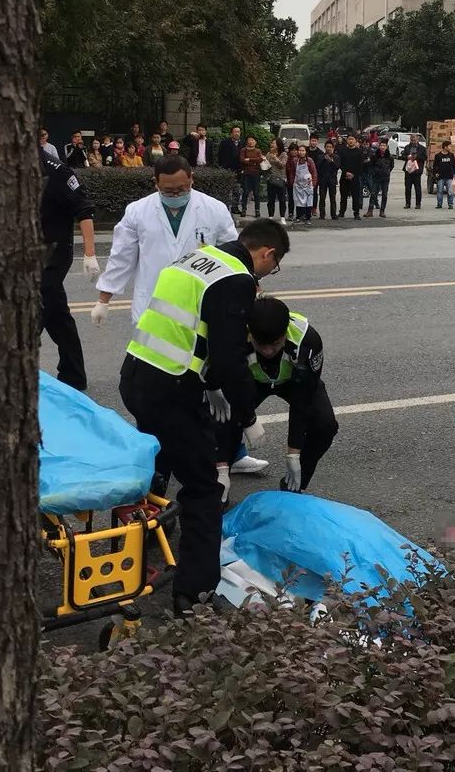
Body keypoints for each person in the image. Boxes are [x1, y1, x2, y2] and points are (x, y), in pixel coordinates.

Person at [118, 219, 290, 616]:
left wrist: (208, 379)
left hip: (137, 374)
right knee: (203, 489)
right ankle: (193, 595)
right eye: (273, 265)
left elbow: (194, 329)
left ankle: (133, 547)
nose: (267, 273)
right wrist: (247, 415)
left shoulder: (196, 258)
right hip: (171, 390)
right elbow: (230, 354)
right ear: (268, 254)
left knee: (156, 462)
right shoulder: (237, 278)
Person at [92, 154, 239, 329]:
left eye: (182, 189)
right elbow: (121, 259)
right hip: (152, 306)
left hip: (200, 304)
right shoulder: (137, 212)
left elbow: (234, 256)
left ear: (192, 178)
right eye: (168, 191)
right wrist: (103, 300)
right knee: (149, 354)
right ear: (156, 183)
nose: (176, 195)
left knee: (197, 354)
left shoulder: (214, 209)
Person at [218, 297, 338, 494]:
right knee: (224, 415)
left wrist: (294, 454)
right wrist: (247, 418)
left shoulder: (307, 340)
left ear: (285, 333)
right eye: (260, 344)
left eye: (275, 344)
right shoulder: (234, 336)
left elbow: (302, 402)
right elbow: (230, 389)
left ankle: (295, 484)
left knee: (325, 425)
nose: (267, 351)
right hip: (251, 381)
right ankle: (218, 482)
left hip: (294, 381)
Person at [40, 151, 100, 391]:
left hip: (53, 255)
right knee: (57, 316)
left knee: (34, 309)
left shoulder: (56, 171)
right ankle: (74, 374)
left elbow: (84, 210)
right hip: (24, 254)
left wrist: (90, 254)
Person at [287, 143, 317, 225]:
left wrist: (313, 184)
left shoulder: (309, 161)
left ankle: (308, 218)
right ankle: (298, 217)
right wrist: (292, 182)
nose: (301, 152)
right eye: (299, 150)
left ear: (306, 152)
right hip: (298, 185)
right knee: (298, 201)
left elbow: (314, 172)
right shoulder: (295, 161)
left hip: (308, 185)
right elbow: (292, 172)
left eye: (303, 150)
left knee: (308, 202)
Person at [338, 134, 365, 220]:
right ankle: (342, 212)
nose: (350, 141)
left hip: (355, 177)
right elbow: (340, 164)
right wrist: (346, 173)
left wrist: (353, 174)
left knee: (355, 196)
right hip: (344, 177)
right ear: (347, 140)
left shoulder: (359, 152)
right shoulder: (342, 151)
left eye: (352, 139)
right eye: (349, 139)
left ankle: (356, 213)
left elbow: (360, 165)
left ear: (355, 141)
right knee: (343, 196)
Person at [217, 125, 243, 213]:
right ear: (231, 133)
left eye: (238, 132)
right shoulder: (225, 143)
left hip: (238, 170)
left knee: (237, 190)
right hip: (227, 169)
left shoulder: (242, 143)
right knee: (226, 190)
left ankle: (235, 208)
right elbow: (220, 156)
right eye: (235, 131)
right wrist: (222, 167)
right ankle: (225, 208)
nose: (237, 133)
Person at [238, 135, 265, 218]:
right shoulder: (243, 150)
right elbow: (242, 160)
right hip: (246, 174)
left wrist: (249, 159)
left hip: (256, 174)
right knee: (245, 192)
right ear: (247, 141)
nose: (251, 142)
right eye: (249, 140)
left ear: (255, 142)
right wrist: (254, 161)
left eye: (252, 140)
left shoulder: (258, 150)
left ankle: (257, 210)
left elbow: (260, 160)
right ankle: (244, 210)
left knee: (256, 193)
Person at [366, 139, 394, 217]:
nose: (382, 147)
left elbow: (391, 166)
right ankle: (370, 210)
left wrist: (387, 172)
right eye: (381, 145)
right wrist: (374, 172)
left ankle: (382, 211)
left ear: (386, 147)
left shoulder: (390, 156)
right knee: (374, 193)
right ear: (379, 146)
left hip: (385, 178)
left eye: (384, 146)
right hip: (376, 177)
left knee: (384, 195)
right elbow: (371, 165)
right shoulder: (375, 156)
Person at [263, 138, 289, 224]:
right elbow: (266, 166)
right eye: (272, 143)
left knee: (282, 199)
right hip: (271, 178)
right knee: (271, 199)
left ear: (278, 144)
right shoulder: (269, 154)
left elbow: (282, 165)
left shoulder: (283, 154)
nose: (272, 144)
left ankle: (282, 217)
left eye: (274, 143)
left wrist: (276, 158)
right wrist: (263, 160)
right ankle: (270, 216)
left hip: (281, 179)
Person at [402, 132, 427, 210]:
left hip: (417, 171)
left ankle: (418, 204)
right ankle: (407, 203)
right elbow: (402, 156)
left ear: (417, 140)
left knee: (417, 188)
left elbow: (425, 158)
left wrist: (417, 157)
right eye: (412, 140)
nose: (413, 141)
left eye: (415, 140)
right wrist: (407, 157)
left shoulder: (422, 148)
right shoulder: (407, 147)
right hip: (408, 171)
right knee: (408, 188)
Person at [317, 140, 340, 220]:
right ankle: (322, 215)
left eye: (330, 147)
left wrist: (331, 161)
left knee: (332, 199)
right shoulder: (320, 156)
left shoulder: (336, 157)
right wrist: (324, 159)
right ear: (325, 147)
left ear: (333, 148)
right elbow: (318, 167)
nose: (329, 149)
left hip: (332, 180)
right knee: (322, 198)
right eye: (327, 147)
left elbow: (337, 167)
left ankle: (333, 214)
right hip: (323, 180)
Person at [433, 140, 455, 210]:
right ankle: (439, 204)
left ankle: (450, 204)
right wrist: (436, 173)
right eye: (449, 146)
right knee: (440, 191)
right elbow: (435, 166)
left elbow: (454, 165)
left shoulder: (451, 155)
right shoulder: (438, 156)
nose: (450, 147)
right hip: (441, 176)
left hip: (449, 176)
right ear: (445, 147)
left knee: (450, 191)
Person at [306, 134, 323, 211]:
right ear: (310, 141)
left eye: (315, 141)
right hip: (305, 174)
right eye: (312, 141)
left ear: (317, 142)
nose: (313, 142)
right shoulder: (305, 151)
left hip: (315, 175)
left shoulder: (320, 153)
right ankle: (306, 207)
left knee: (314, 192)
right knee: (305, 191)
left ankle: (314, 208)